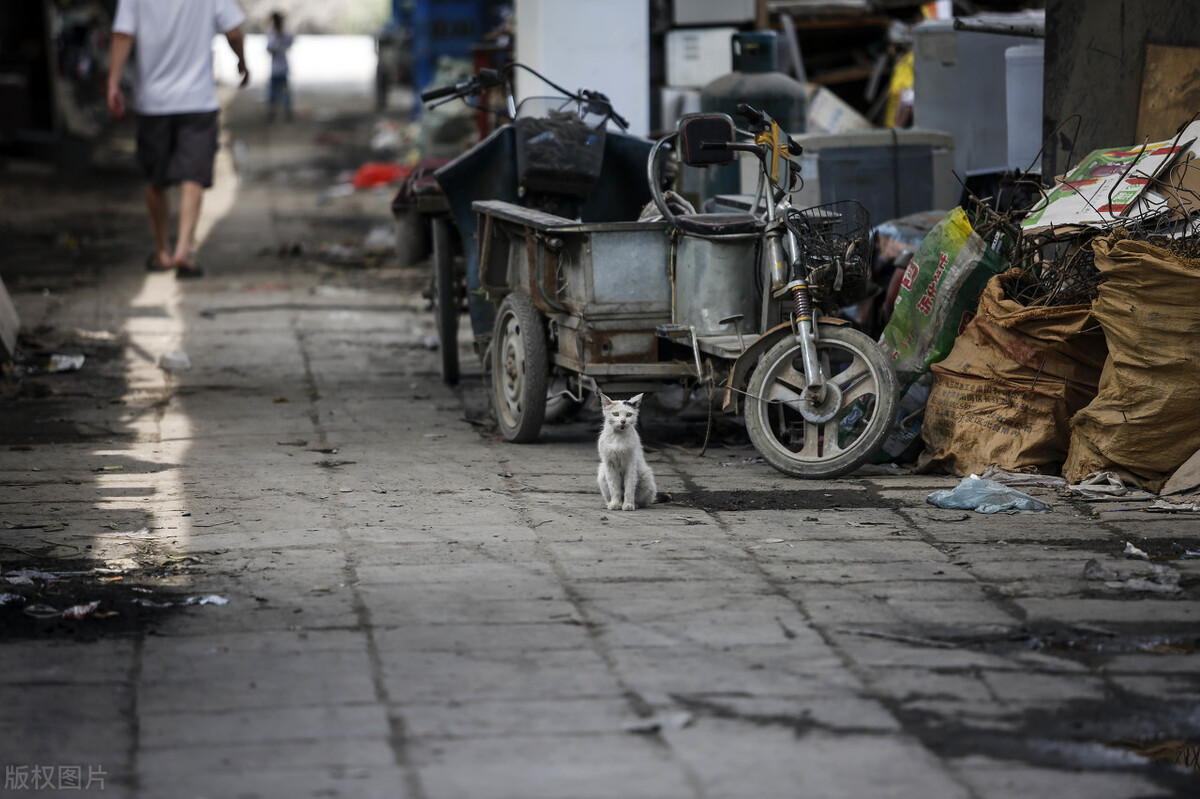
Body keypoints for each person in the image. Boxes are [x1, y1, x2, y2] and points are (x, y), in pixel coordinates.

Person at [106, 0, 250, 278]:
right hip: (198, 99)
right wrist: (241, 62)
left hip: (153, 100)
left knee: (155, 178)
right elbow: (233, 31)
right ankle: (184, 248)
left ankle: (162, 252)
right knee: (193, 175)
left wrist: (113, 81)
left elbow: (123, 33)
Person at [266, 11, 295, 122]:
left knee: (286, 93)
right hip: (275, 68)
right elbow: (269, 49)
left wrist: (282, 35)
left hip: (283, 68)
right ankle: (272, 113)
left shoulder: (285, 33)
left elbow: (291, 41)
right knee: (273, 93)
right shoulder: (271, 34)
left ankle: (287, 113)